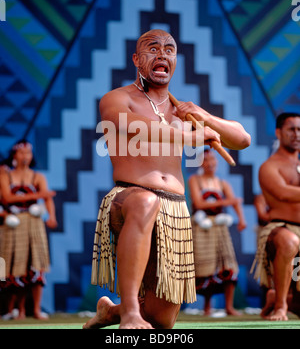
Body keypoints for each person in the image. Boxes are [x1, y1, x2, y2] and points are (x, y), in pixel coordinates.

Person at [84, 29, 251, 329]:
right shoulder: (117, 99)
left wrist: (204, 116)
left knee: (162, 321)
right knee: (146, 202)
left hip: (175, 209)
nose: (162, 54)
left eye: (169, 50)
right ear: (136, 59)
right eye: (153, 48)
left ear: (175, 61)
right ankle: (131, 311)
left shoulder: (182, 111)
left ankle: (111, 312)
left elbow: (242, 139)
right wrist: (189, 135)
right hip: (129, 197)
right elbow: (133, 127)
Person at [0, 140, 57, 320]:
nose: (26, 156)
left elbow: (48, 199)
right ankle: (18, 310)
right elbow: (7, 198)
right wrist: (39, 195)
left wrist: (52, 216)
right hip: (14, 223)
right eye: (22, 153)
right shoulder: (5, 176)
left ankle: (37, 309)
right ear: (14, 155)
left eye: (29, 153)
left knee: (36, 264)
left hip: (34, 224)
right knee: (15, 265)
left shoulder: (38, 177)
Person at [251, 112, 300, 321]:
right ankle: (280, 305)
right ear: (278, 132)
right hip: (281, 230)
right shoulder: (269, 166)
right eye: (292, 129)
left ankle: (279, 297)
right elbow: (282, 192)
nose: (297, 134)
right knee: (290, 241)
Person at [188, 149, 246, 316]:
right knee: (204, 266)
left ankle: (229, 307)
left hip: (220, 228)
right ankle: (207, 306)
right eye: (206, 160)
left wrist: (242, 219)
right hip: (201, 227)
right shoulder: (195, 180)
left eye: (212, 160)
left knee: (227, 264)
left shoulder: (222, 183)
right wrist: (229, 201)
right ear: (200, 163)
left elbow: (235, 203)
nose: (210, 163)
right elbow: (198, 204)